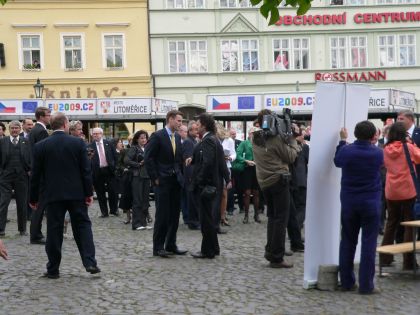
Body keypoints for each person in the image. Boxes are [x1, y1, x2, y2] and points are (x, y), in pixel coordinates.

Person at [29, 112, 100, 279]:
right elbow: (85, 171)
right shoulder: (78, 143)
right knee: (82, 227)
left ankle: (53, 269)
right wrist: (88, 193)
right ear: (65, 125)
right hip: (76, 194)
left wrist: (33, 198)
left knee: (54, 230)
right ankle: (90, 262)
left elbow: (35, 175)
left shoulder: (41, 146)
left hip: (53, 195)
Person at [334, 121, 384, 294]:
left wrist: (342, 141)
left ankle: (347, 282)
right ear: (373, 136)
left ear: (355, 134)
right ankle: (366, 285)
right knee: (369, 243)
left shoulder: (347, 151)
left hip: (349, 202)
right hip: (371, 202)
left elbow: (337, 162)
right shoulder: (378, 153)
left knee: (347, 241)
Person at [252, 109, 300, 269]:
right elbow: (291, 156)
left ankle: (270, 251)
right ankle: (277, 257)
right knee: (281, 219)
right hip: (279, 180)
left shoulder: (256, 137)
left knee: (272, 217)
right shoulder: (275, 139)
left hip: (264, 182)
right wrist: (293, 139)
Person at [144, 110, 187, 258]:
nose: (181, 124)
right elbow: (148, 158)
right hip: (162, 181)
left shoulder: (177, 137)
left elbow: (178, 159)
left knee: (175, 214)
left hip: (175, 181)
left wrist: (181, 175)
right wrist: (155, 177)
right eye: (179, 121)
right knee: (162, 215)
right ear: (170, 119)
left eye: (181, 121)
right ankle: (158, 246)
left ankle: (171, 244)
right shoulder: (158, 136)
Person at [380, 122, 420, 271]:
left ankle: (385, 257)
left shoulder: (385, 149)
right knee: (409, 224)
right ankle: (408, 261)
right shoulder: (408, 147)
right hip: (408, 190)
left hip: (391, 190)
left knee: (391, 222)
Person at [188, 113, 220, 258]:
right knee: (208, 218)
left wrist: (199, 180)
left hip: (205, 185)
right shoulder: (210, 138)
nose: (196, 127)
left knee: (205, 219)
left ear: (204, 125)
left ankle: (207, 250)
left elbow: (208, 163)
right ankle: (214, 247)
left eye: (198, 124)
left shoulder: (208, 140)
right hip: (209, 183)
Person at [0, 121, 31, 237]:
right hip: (5, 177)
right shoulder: (2, 141)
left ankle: (22, 229)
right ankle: (1, 229)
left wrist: (29, 169)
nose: (14, 130)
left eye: (16, 128)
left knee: (22, 203)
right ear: (9, 129)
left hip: (21, 176)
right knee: (3, 202)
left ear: (20, 129)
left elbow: (30, 156)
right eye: (12, 128)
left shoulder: (26, 141)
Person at [29, 106, 51, 245]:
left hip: (37, 172)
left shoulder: (34, 130)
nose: (50, 117)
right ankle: (36, 234)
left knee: (38, 205)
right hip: (42, 175)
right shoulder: (41, 131)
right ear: (41, 116)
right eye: (48, 114)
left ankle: (35, 233)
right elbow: (43, 154)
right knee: (40, 206)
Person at [88, 127, 118, 217]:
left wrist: (115, 167)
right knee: (100, 193)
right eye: (94, 134)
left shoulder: (108, 143)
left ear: (102, 134)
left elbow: (115, 156)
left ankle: (113, 210)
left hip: (109, 170)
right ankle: (104, 212)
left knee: (113, 191)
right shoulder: (90, 146)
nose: (95, 135)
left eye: (97, 133)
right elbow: (88, 160)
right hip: (97, 172)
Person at [125, 130, 152, 231]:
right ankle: (136, 224)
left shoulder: (147, 148)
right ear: (137, 139)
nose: (144, 139)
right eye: (141, 138)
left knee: (145, 200)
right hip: (137, 176)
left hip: (146, 176)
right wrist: (138, 164)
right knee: (137, 200)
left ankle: (143, 223)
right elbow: (126, 160)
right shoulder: (134, 148)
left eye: (145, 137)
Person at [235, 128, 260, 224]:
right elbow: (238, 155)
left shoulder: (260, 144)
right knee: (247, 192)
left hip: (257, 169)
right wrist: (246, 161)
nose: (254, 135)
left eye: (255, 133)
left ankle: (256, 215)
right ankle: (246, 216)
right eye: (252, 133)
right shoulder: (244, 143)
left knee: (256, 192)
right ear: (249, 134)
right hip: (247, 169)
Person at [216, 124, 235, 227]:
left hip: (226, 166)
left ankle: (223, 216)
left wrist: (230, 158)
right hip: (215, 167)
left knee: (224, 192)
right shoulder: (213, 139)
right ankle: (217, 215)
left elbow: (234, 154)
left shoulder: (229, 140)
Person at [182, 121, 200, 230]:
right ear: (190, 131)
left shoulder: (194, 141)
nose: (197, 131)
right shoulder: (188, 142)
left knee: (195, 199)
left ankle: (194, 220)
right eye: (195, 129)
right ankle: (192, 222)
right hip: (191, 175)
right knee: (192, 200)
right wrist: (190, 176)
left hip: (195, 174)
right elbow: (188, 160)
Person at [227, 128, 243, 214]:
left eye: (235, 133)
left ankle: (240, 206)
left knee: (239, 188)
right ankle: (230, 207)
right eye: (232, 134)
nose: (234, 135)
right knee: (230, 188)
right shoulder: (226, 142)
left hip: (237, 169)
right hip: (229, 168)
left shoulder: (239, 143)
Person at [178, 124, 189, 225]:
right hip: (178, 173)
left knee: (186, 196)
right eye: (184, 131)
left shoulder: (188, 142)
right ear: (179, 132)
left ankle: (187, 216)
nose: (186, 133)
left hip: (186, 174)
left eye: (186, 131)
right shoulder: (177, 142)